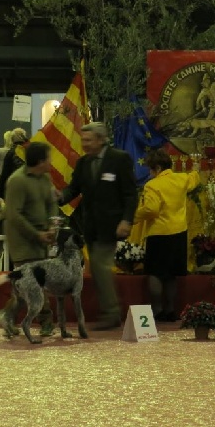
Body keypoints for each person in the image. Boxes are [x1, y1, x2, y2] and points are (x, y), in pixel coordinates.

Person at [58, 122, 138, 330]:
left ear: (101, 139)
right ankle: (109, 310)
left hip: (112, 226)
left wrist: (126, 220)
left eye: (88, 140)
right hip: (90, 227)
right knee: (96, 269)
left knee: (101, 268)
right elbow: (74, 189)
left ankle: (111, 314)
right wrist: (58, 197)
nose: (84, 144)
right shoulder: (83, 163)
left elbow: (130, 193)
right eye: (83, 140)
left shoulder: (119, 159)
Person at [0, 141, 57, 336]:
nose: (51, 162)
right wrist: (37, 234)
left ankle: (7, 316)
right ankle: (46, 322)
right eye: (48, 158)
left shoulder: (45, 178)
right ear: (40, 161)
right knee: (35, 283)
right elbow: (14, 215)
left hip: (41, 240)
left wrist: (53, 226)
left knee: (27, 285)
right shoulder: (17, 181)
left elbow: (52, 202)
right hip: (23, 241)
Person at [134, 148, 200, 321]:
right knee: (171, 274)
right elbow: (194, 177)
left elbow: (151, 209)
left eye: (150, 169)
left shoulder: (152, 185)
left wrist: (133, 217)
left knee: (155, 273)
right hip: (179, 232)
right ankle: (170, 310)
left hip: (158, 233)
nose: (149, 172)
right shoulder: (182, 179)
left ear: (156, 168)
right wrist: (196, 167)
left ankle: (157, 310)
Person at [0, 127, 28, 200]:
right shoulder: (30, 151)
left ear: (12, 139)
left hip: (13, 186)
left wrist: (0, 193)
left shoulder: (10, 153)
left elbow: (5, 173)